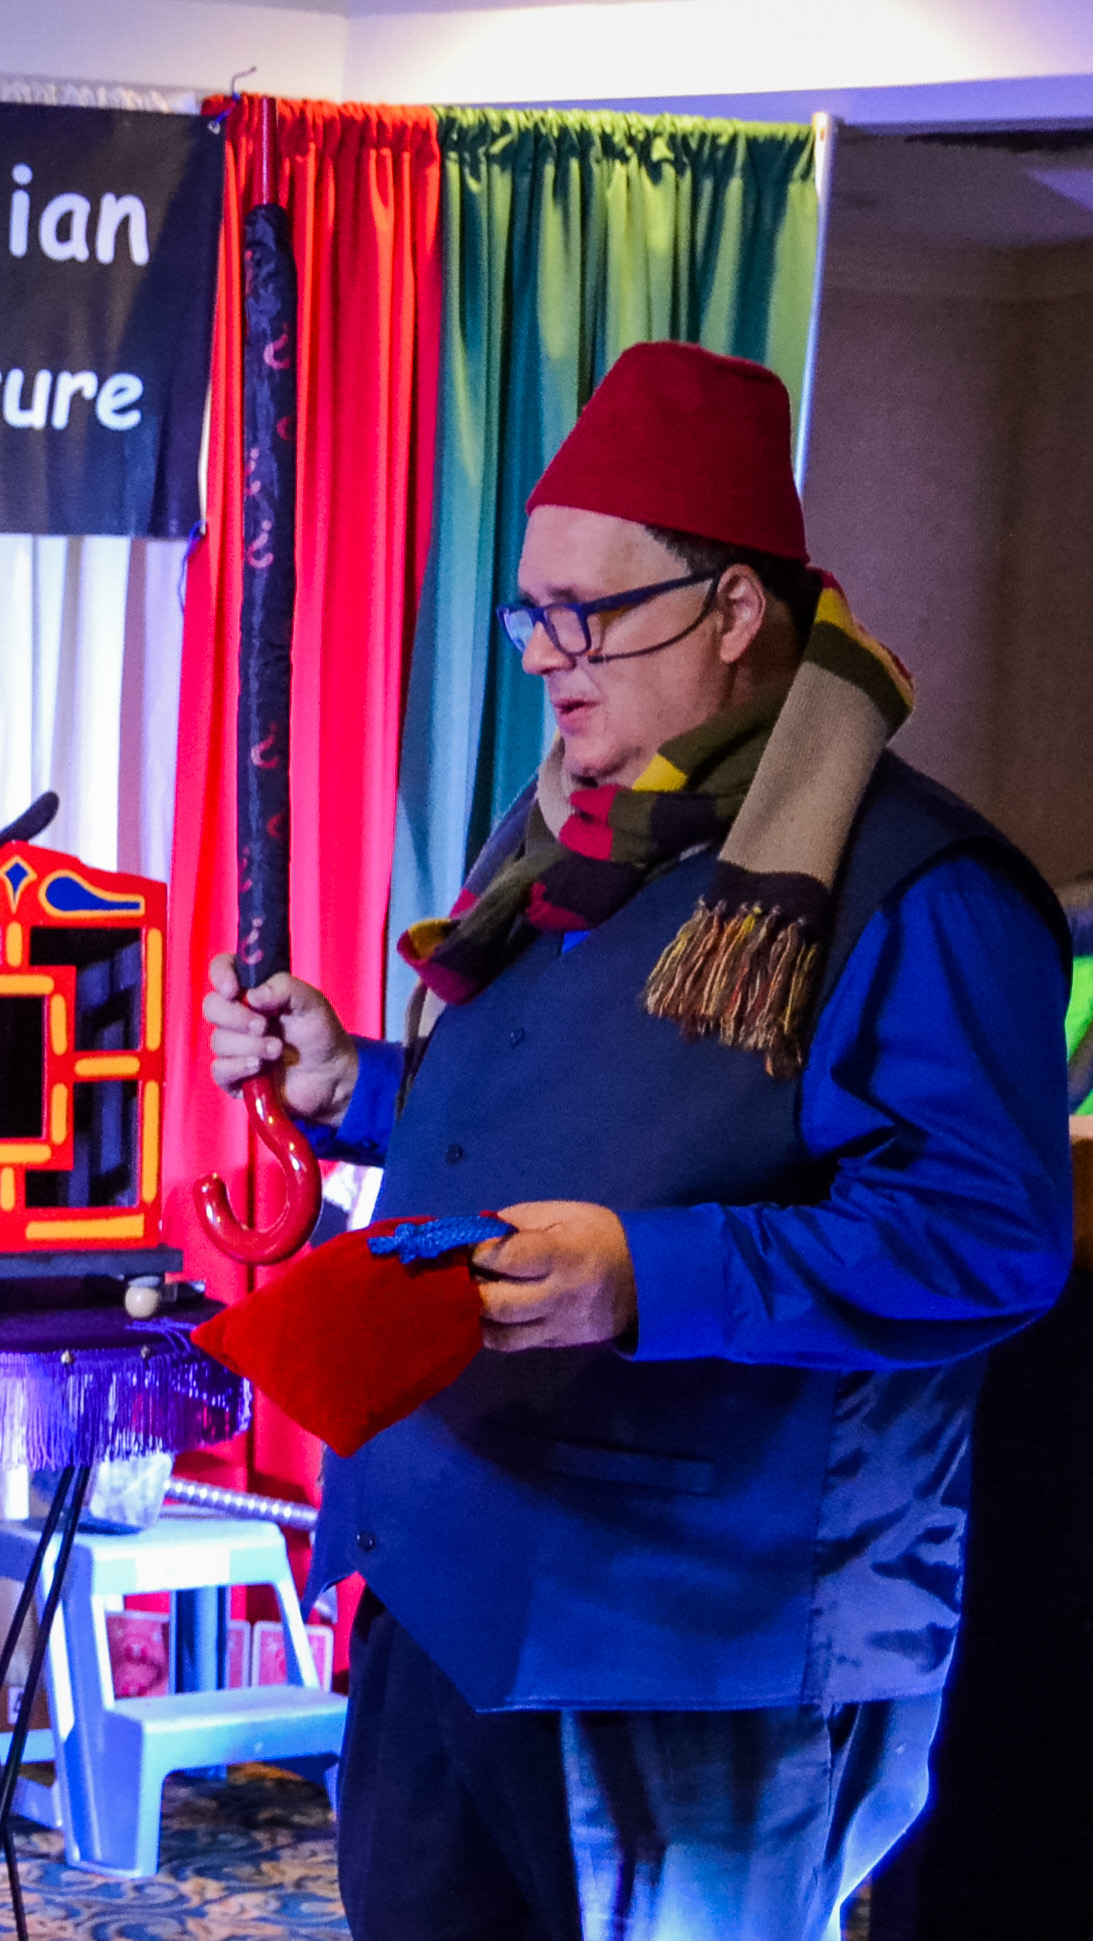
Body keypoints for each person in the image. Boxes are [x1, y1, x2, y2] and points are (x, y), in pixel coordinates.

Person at [202, 342, 1073, 1940]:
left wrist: (641, 1277)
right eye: (529, 614)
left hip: (696, 1644)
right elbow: (588, 1107)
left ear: (733, 608)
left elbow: (987, 1240)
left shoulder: (924, 887)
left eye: (584, 614)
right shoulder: (574, 828)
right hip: (447, 1585)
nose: (544, 656)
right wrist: (358, 1090)